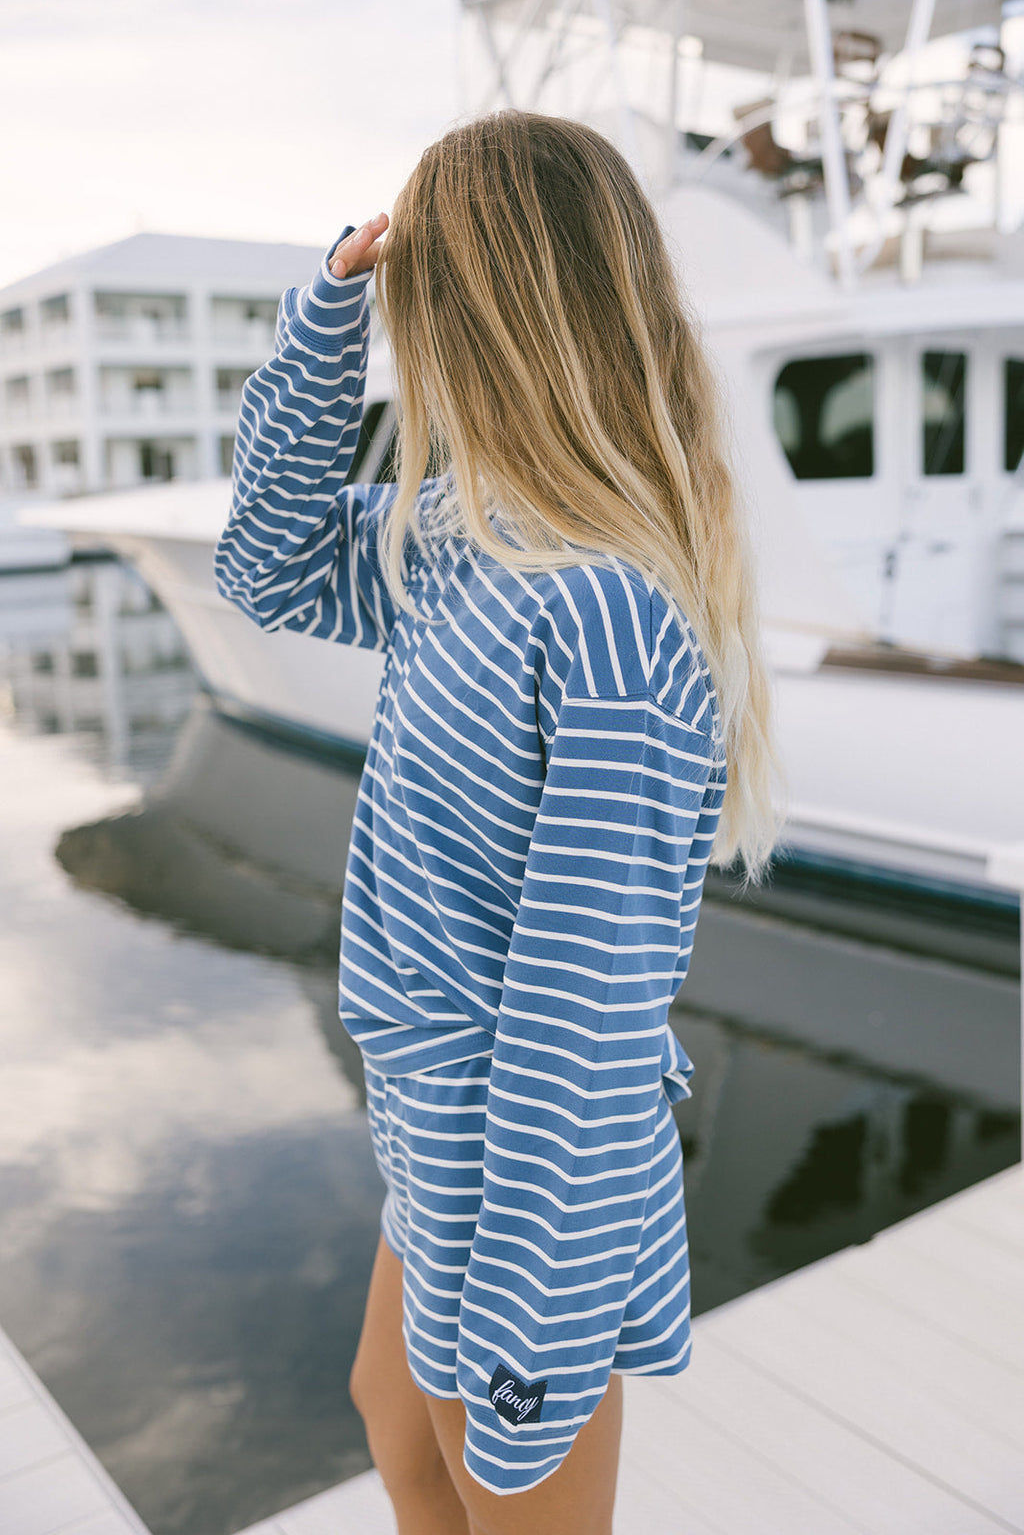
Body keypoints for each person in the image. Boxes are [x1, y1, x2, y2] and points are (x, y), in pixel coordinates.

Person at [214, 108, 781, 1535]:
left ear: (476, 313)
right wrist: (327, 316)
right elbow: (263, 567)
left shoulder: (598, 615)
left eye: (417, 302)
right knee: (391, 1425)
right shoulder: (456, 540)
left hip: (533, 1187)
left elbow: (585, 1013)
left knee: (494, 1483)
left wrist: (527, 1320)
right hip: (436, 1138)